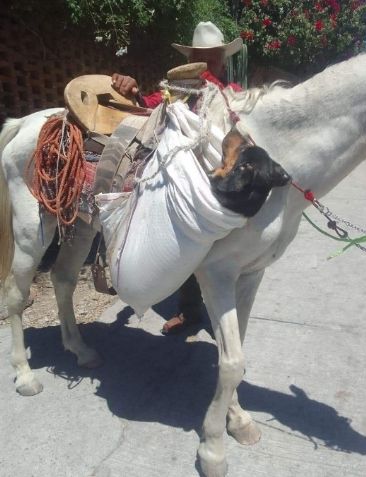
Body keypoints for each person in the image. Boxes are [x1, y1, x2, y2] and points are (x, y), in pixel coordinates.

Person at [111, 21, 245, 335]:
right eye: (200, 55)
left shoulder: (233, 94)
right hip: (182, 182)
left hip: (218, 180)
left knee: (225, 252)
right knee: (185, 246)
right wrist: (134, 93)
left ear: (222, 59)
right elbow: (150, 109)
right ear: (190, 59)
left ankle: (225, 314)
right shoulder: (176, 91)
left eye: (213, 56)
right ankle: (189, 312)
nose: (208, 61)